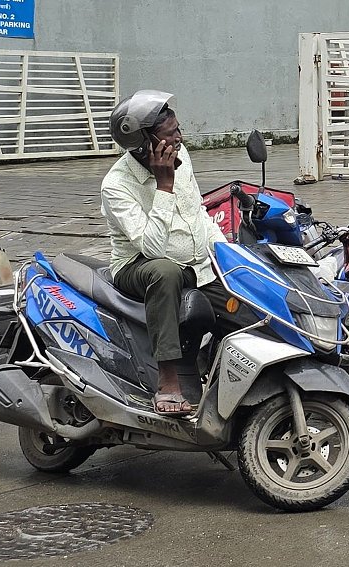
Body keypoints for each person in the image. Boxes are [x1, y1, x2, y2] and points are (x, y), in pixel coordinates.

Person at [101, 90, 235, 416]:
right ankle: (168, 380)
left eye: (179, 130)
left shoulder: (182, 155)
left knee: (244, 297)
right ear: (145, 144)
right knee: (165, 271)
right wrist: (164, 185)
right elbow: (153, 249)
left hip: (195, 264)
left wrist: (228, 256)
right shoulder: (116, 185)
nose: (180, 139)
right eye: (171, 135)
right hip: (139, 266)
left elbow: (198, 213)